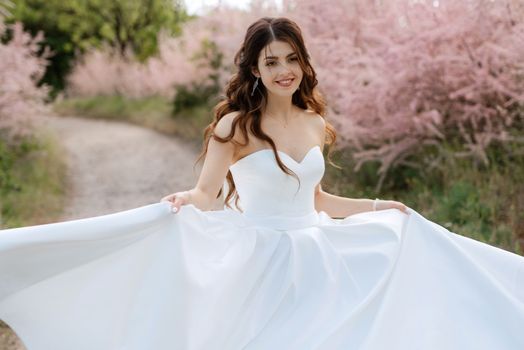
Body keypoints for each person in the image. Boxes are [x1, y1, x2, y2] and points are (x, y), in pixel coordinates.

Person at [1, 17, 523, 350]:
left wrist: (379, 205)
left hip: (317, 249)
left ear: (303, 64)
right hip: (262, 256)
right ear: (254, 67)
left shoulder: (316, 123)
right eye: (272, 61)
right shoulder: (236, 125)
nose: (285, 70)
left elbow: (316, 199)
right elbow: (207, 193)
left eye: (292, 59)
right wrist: (187, 200)